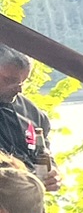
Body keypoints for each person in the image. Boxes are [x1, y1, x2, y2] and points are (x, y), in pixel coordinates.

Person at [0, 45, 59, 194]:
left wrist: (53, 175)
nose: (18, 89)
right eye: (9, 80)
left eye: (22, 82)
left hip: (30, 205)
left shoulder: (31, 112)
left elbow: (43, 153)